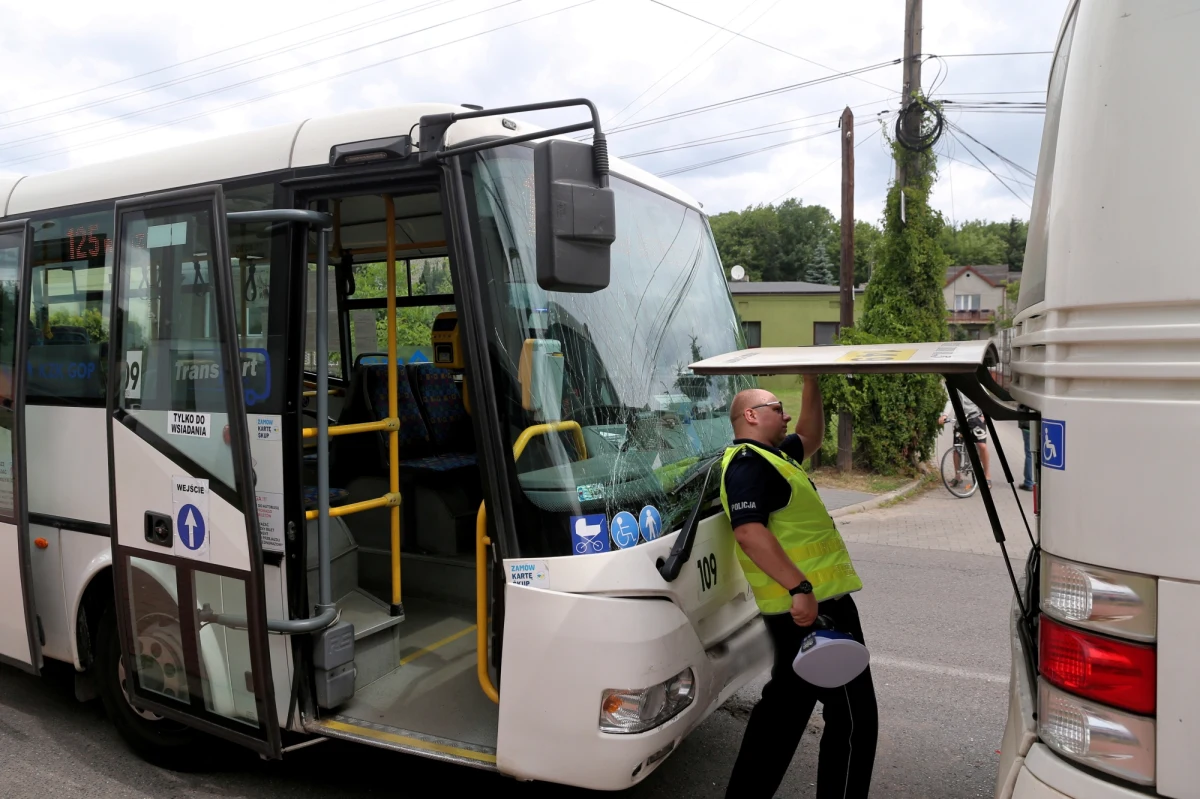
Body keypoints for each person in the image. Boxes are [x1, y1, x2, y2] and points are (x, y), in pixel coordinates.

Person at [720, 380, 878, 799]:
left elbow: (810, 435)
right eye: (777, 408)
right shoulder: (749, 463)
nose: (786, 415)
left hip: (806, 609)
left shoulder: (774, 456)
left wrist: (813, 380)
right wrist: (800, 587)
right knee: (853, 718)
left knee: (782, 717)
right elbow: (749, 533)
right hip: (813, 610)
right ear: (751, 415)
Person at [938, 394, 991, 487]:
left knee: (982, 446)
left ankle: (987, 476)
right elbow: (950, 400)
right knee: (957, 449)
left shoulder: (975, 383)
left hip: (976, 419)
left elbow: (985, 398)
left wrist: (984, 415)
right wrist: (944, 415)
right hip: (960, 419)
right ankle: (957, 477)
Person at [1017, 405, 1034, 491]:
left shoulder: (1027, 394)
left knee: (1029, 453)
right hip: (1041, 423)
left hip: (1028, 424)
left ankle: (1029, 482)